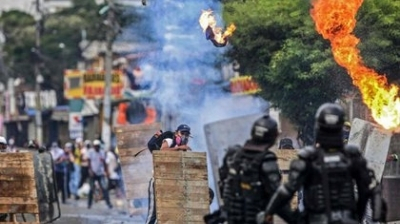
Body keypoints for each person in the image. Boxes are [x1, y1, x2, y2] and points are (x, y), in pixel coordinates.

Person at [257, 103, 387, 224]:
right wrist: (366, 217)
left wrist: (276, 214)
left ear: (318, 128)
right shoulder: (351, 156)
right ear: (340, 127)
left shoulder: (308, 157)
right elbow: (372, 190)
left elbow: (285, 192)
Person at [204, 115, 295, 224]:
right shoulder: (266, 160)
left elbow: (225, 190)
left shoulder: (235, 157)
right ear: (272, 137)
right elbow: (279, 200)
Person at [145, 124, 193, 224]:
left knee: (166, 211)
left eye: (187, 134)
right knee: (153, 213)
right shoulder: (170, 140)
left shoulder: (181, 147)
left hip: (169, 182)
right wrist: (178, 148)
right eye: (182, 133)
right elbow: (163, 151)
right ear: (177, 133)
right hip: (157, 181)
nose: (184, 136)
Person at [87, 139, 112, 209]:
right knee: (91, 189)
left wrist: (106, 171)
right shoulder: (90, 152)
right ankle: (89, 204)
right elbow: (89, 162)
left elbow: (104, 163)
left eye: (97, 146)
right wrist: (90, 170)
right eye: (95, 146)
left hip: (100, 173)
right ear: (93, 146)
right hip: (93, 173)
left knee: (104, 188)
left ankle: (108, 203)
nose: (96, 147)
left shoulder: (102, 152)